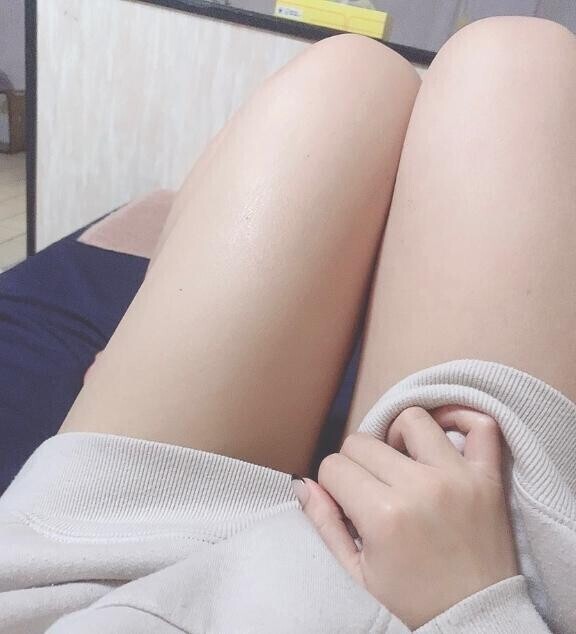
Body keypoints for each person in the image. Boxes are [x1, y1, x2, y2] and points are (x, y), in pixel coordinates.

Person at [1, 15, 575, 633]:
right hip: (422, 595)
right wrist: (475, 609)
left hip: (68, 572)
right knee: (518, 60)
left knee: (349, 76)